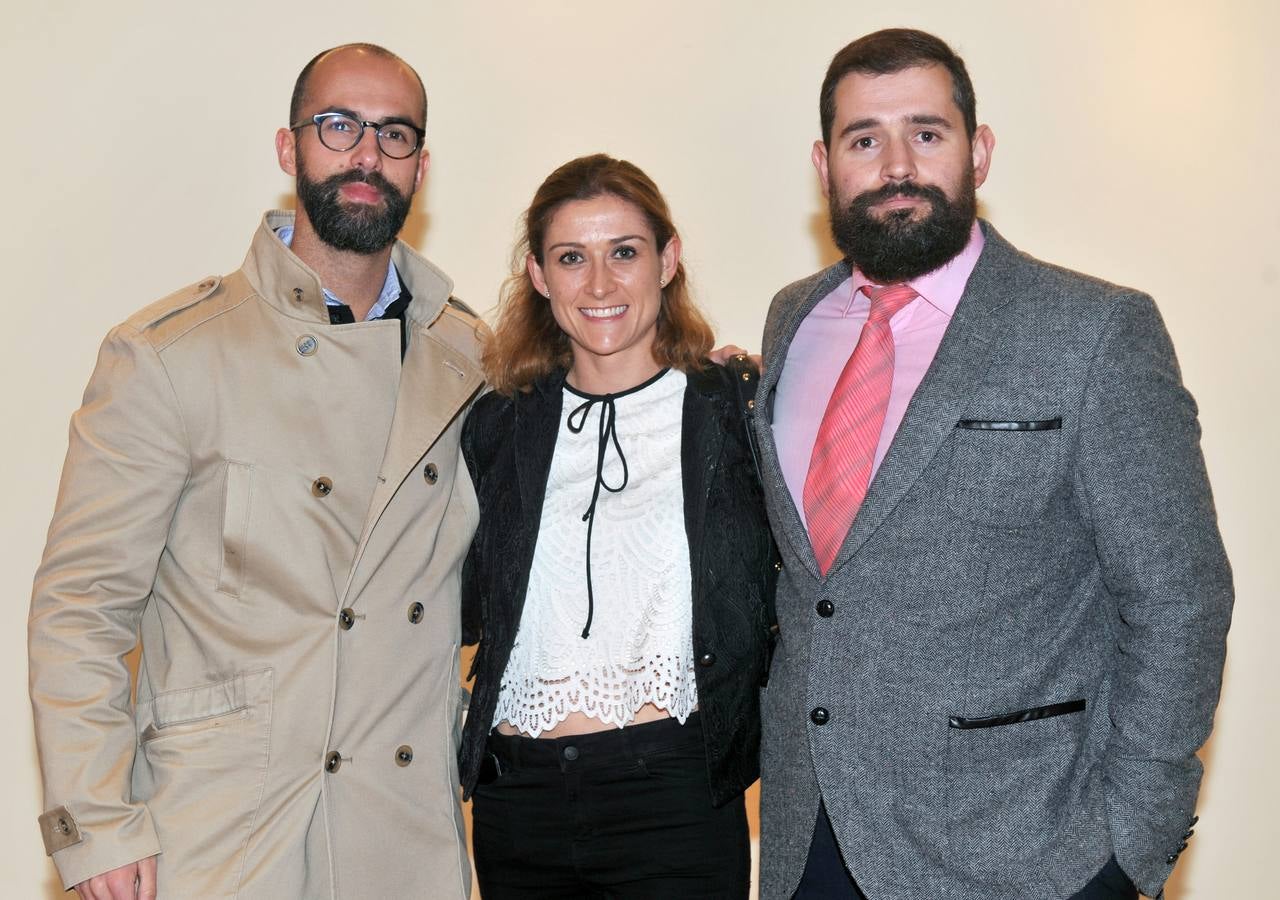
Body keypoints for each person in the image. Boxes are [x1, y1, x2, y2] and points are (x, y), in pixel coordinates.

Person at [753, 28, 1233, 900]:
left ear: (979, 151)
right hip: (809, 838)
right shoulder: (792, 320)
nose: (897, 164)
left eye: (926, 134)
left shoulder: (1093, 332)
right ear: (825, 165)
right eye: (866, 139)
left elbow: (1180, 595)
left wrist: (1130, 848)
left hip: (1027, 849)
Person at [28, 44, 484, 899]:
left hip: (404, 839)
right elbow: (81, 606)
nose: (365, 155)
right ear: (289, 149)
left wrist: (699, 373)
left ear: (421, 167)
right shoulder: (170, 354)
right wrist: (94, 823)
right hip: (224, 839)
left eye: (393, 135)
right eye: (338, 126)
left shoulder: (471, 357)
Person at [458, 153, 777, 898]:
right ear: (539, 276)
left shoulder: (737, 409)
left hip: (675, 798)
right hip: (518, 804)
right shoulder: (497, 425)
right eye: (572, 258)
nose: (599, 285)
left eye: (623, 253)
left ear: (667, 261)